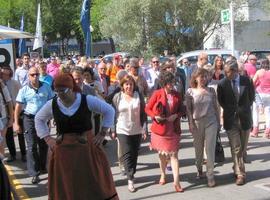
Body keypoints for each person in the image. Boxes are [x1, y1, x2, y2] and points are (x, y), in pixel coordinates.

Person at [35, 73, 118, 200]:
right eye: (56, 91)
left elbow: (109, 110)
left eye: (63, 90)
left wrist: (102, 133)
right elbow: (39, 119)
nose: (59, 94)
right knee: (68, 185)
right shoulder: (53, 104)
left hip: (86, 150)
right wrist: (48, 139)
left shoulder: (87, 100)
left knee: (93, 183)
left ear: (71, 88)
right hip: (64, 152)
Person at [145, 71, 184, 193]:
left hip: (173, 130)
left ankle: (176, 182)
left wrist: (176, 115)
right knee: (162, 155)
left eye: (172, 82)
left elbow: (183, 110)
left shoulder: (177, 95)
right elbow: (147, 108)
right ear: (164, 83)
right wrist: (154, 117)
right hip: (160, 130)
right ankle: (163, 174)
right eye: (169, 83)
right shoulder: (157, 93)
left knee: (174, 155)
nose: (171, 85)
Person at [14, 67, 54, 184]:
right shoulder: (24, 89)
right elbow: (18, 107)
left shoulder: (46, 87)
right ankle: (34, 173)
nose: (35, 77)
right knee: (31, 146)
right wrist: (16, 123)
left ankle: (42, 167)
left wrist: (52, 117)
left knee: (43, 144)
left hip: (43, 120)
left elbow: (51, 102)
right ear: (28, 76)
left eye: (36, 74)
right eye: (32, 75)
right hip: (29, 119)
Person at [217, 60, 255, 185]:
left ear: (235, 71)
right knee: (236, 147)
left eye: (227, 72)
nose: (225, 74)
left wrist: (242, 109)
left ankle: (237, 165)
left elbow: (251, 98)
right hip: (230, 119)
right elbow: (221, 100)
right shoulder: (222, 84)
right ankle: (240, 174)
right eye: (225, 71)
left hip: (244, 118)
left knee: (242, 148)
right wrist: (230, 110)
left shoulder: (247, 81)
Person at [111, 75, 147, 192]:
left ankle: (132, 172)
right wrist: (112, 129)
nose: (129, 86)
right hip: (122, 129)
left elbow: (143, 114)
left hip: (136, 129)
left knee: (134, 153)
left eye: (131, 84)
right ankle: (130, 178)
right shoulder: (117, 97)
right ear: (122, 86)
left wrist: (144, 128)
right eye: (126, 84)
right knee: (126, 154)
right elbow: (113, 114)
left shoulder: (138, 96)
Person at [185, 68, 220, 187]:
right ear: (195, 78)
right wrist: (191, 123)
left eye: (205, 76)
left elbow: (216, 107)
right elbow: (189, 110)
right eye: (201, 76)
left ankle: (210, 175)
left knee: (210, 150)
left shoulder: (211, 90)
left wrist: (219, 122)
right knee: (198, 150)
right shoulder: (190, 91)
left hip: (211, 122)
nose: (204, 79)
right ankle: (199, 168)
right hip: (197, 123)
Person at [1, 66, 26, 162]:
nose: (4, 76)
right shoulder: (1, 83)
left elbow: (21, 95)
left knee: (20, 133)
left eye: (7, 74)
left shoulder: (15, 83)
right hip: (7, 112)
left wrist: (20, 108)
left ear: (10, 74)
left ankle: (23, 154)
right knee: (9, 135)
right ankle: (13, 154)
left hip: (17, 110)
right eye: (3, 74)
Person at [252, 59, 270, 138]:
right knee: (268, 113)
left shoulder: (259, 72)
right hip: (268, 94)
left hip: (259, 93)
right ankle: (267, 132)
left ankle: (255, 130)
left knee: (255, 112)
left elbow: (252, 82)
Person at [0, 79, 14, 160]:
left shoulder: (2, 86)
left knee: (1, 140)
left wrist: (11, 118)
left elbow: (9, 102)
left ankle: (1, 161)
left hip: (3, 118)